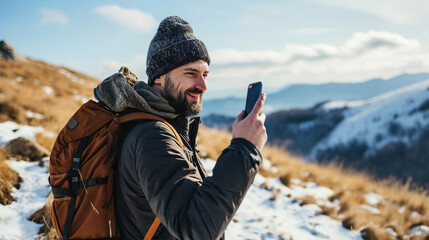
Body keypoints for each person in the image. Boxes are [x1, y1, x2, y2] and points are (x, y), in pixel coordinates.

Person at [94, 16, 267, 240]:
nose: (203, 85)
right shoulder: (153, 136)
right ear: (158, 78)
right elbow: (196, 229)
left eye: (205, 74)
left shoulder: (165, 126)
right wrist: (244, 149)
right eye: (190, 73)